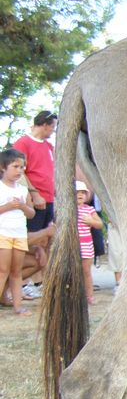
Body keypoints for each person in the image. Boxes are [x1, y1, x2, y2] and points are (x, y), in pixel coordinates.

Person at [0, 149, 35, 316]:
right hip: (3, 233)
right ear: (3, 167)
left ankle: (18, 306)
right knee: (2, 270)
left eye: (22, 167)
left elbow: (32, 213)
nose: (20, 171)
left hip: (19, 234)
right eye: (15, 166)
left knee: (16, 271)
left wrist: (22, 206)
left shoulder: (23, 190)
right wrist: (7, 207)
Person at [12, 110, 57, 231]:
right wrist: (35, 195)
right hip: (34, 201)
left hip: (49, 199)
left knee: (47, 238)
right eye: (53, 126)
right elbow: (19, 173)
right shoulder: (22, 143)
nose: (54, 130)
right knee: (33, 238)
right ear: (45, 125)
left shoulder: (49, 146)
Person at [76, 180, 103, 304]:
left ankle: (89, 296)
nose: (80, 195)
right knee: (74, 271)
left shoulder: (89, 209)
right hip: (74, 245)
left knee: (86, 271)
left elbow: (100, 224)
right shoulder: (68, 210)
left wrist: (90, 221)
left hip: (86, 244)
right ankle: (76, 295)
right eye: (77, 192)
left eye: (83, 192)